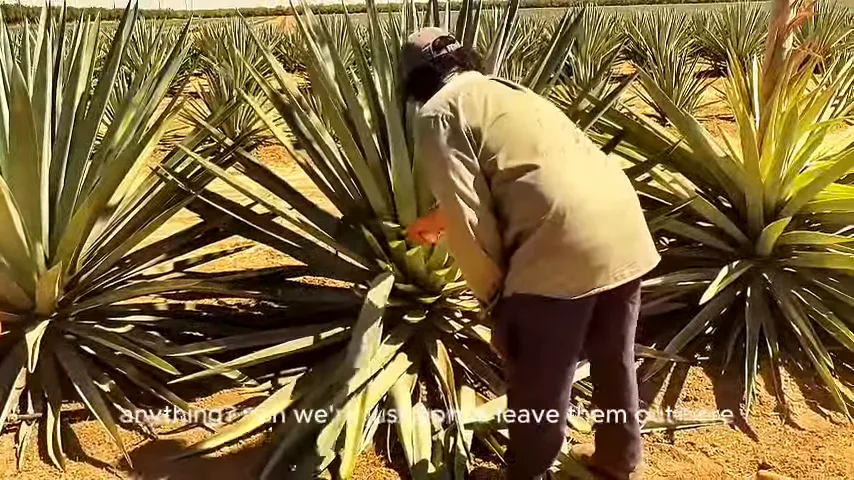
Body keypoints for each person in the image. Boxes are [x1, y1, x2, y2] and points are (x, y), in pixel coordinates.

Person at [399, 27, 660, 480]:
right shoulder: (507, 91)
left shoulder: (438, 113)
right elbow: (527, 174)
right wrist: (431, 221)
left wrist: (496, 297)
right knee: (613, 355)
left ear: (413, 83)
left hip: (560, 245)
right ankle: (619, 461)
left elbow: (469, 217)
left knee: (541, 379)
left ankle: (526, 474)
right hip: (623, 226)